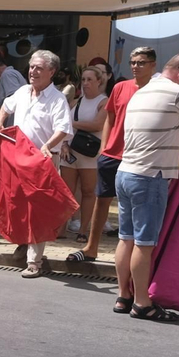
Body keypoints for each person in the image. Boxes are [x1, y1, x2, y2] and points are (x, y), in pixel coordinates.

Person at [114, 53, 179, 320]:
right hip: (150, 176)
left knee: (126, 239)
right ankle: (142, 303)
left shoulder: (141, 91)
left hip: (125, 172)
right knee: (144, 244)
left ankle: (123, 296)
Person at [0, 49, 73, 278]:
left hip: (41, 160)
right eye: (32, 67)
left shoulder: (57, 99)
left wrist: (48, 145)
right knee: (17, 205)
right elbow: (6, 106)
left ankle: (34, 261)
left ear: (51, 72)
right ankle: (23, 243)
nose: (33, 71)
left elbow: (63, 129)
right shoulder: (23, 91)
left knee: (38, 210)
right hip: (18, 158)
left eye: (39, 68)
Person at [71, 46, 156, 265]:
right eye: (133, 62)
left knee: (138, 206)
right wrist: (104, 148)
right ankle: (91, 247)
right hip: (113, 153)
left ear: (153, 65)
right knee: (102, 200)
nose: (136, 66)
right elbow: (110, 118)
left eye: (141, 62)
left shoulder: (158, 90)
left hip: (141, 156)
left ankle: (138, 254)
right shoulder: (120, 87)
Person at [60, 66, 107, 240]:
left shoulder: (103, 102)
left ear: (99, 81)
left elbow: (98, 125)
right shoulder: (76, 102)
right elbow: (62, 127)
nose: (86, 83)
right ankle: (61, 229)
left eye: (90, 80)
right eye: (84, 80)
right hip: (70, 152)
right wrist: (64, 144)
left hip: (90, 153)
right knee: (66, 191)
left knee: (88, 191)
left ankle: (83, 230)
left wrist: (71, 123)